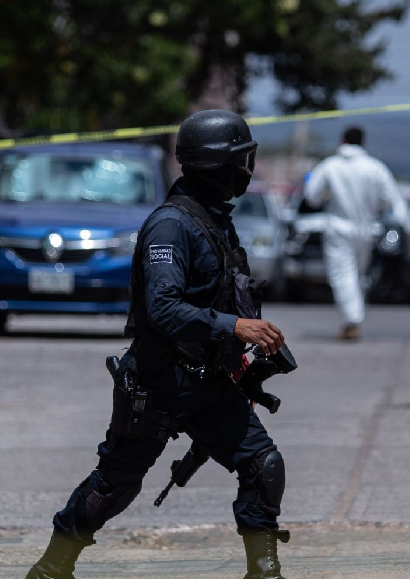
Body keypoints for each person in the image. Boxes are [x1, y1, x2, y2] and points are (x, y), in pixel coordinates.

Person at [26, 109, 290, 579]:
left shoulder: (215, 221)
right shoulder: (171, 227)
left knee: (263, 466)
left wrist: (246, 354)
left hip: (209, 383)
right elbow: (164, 309)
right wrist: (234, 327)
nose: (246, 171)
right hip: (160, 381)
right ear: (216, 164)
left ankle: (264, 573)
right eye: (241, 160)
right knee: (114, 486)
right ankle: (52, 568)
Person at [303, 126, 407, 340]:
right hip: (367, 229)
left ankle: (352, 320)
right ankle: (353, 318)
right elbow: (390, 199)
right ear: (363, 143)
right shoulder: (375, 167)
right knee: (357, 275)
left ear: (342, 140)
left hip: (338, 228)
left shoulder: (330, 166)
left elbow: (311, 195)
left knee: (343, 275)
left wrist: (327, 196)